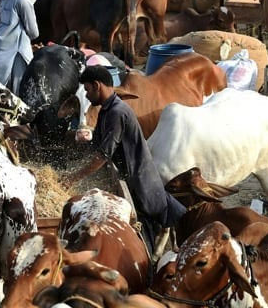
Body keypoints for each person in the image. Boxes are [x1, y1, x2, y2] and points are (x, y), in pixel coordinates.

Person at [67, 66, 186, 255]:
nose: (87, 96)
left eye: (88, 90)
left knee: (143, 238)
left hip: (140, 183)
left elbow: (103, 155)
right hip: (130, 177)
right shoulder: (106, 110)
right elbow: (97, 146)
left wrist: (72, 179)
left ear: (97, 86)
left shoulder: (117, 112)